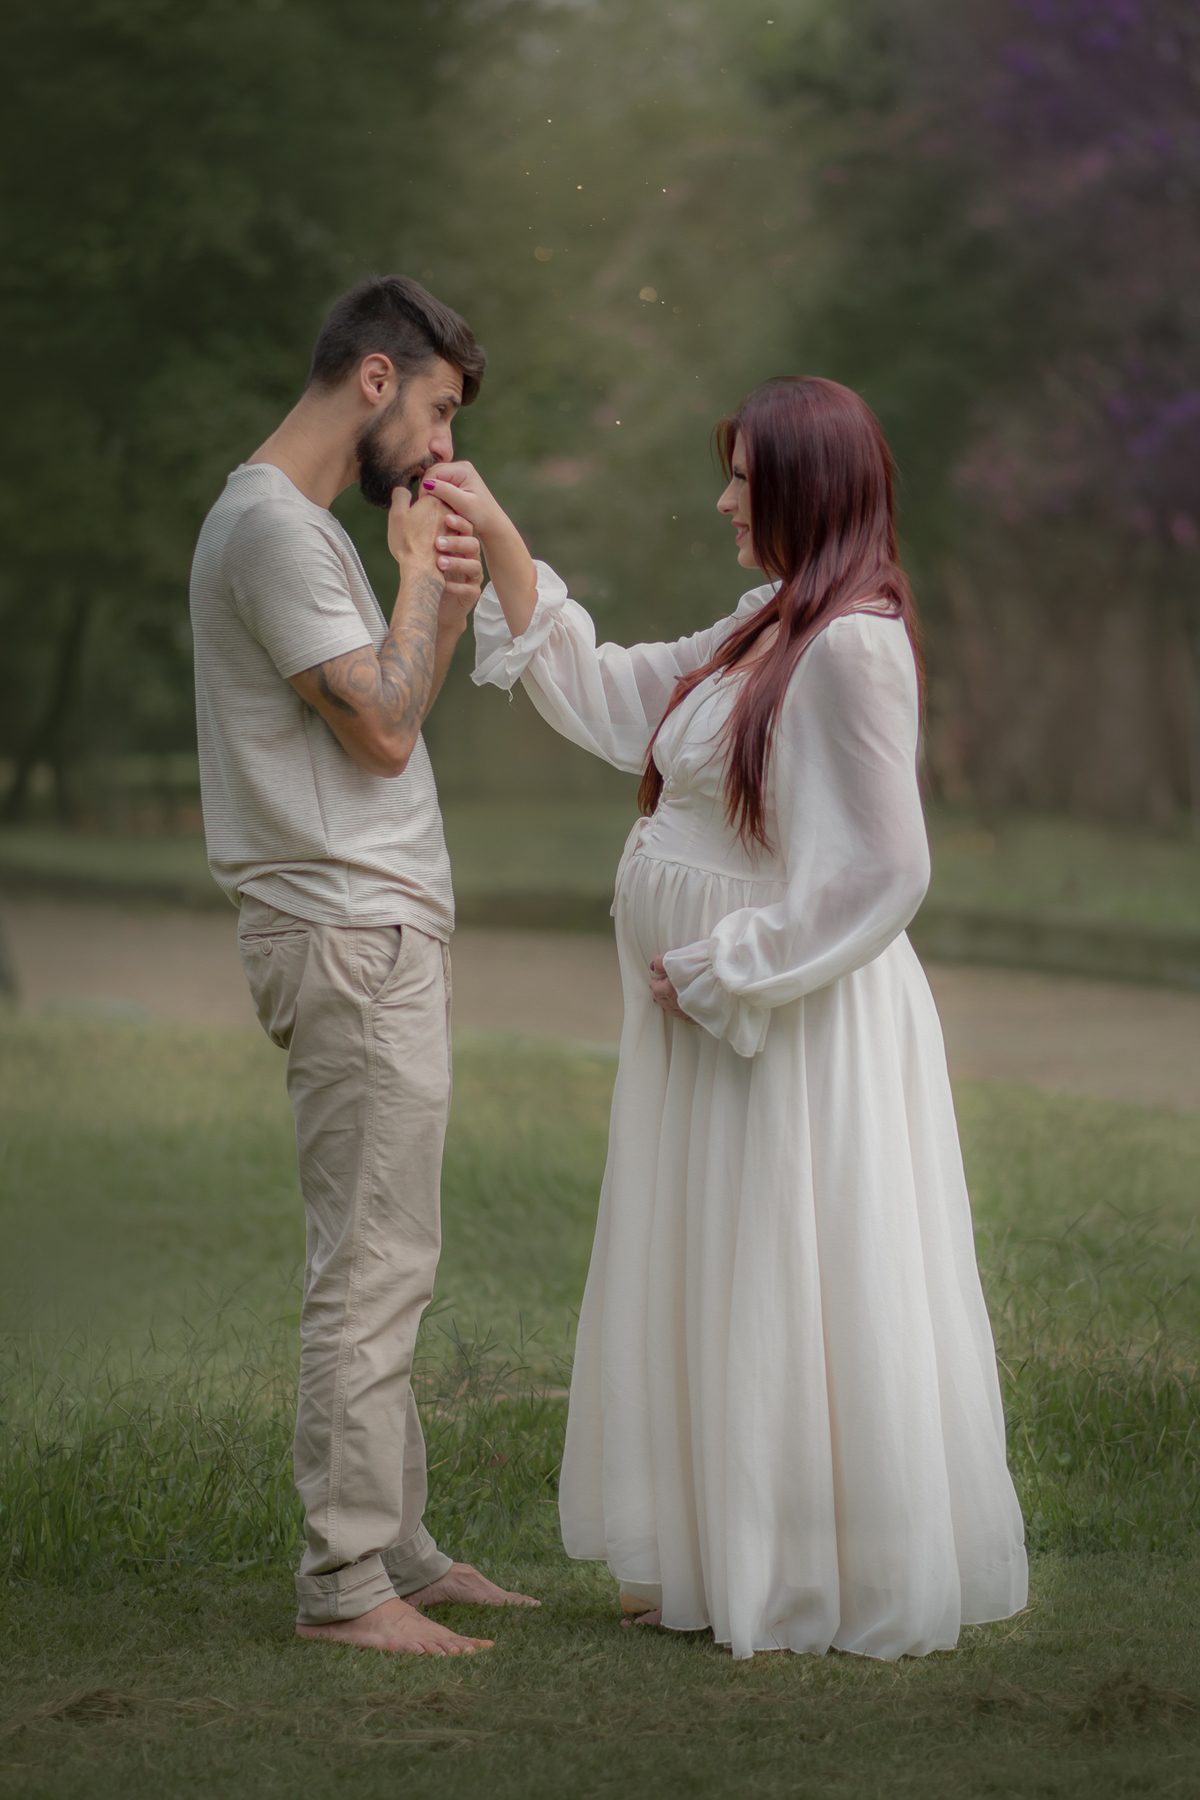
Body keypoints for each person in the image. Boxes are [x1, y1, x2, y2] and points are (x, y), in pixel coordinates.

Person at [422, 375, 1028, 1660]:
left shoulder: (852, 645)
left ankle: (800, 1572)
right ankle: (722, 1554)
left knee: (788, 1279)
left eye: (745, 480)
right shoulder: (771, 624)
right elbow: (620, 695)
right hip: (720, 1032)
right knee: (726, 1277)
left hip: (787, 1026)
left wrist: (730, 963)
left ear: (808, 487)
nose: (725, 501)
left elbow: (885, 868)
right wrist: (508, 545)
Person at [190, 276, 539, 1656]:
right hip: (349, 934)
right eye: (440, 409)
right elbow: (385, 737)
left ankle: (398, 1546)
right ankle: (345, 1585)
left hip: (369, 929)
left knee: (389, 1252)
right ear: (377, 381)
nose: (445, 450)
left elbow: (389, 705)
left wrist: (441, 598)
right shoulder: (276, 534)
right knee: (374, 1265)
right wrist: (416, 583)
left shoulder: (303, 533)